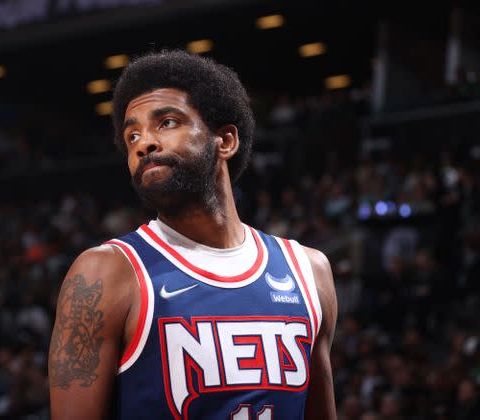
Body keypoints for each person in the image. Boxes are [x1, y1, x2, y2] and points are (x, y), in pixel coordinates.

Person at [48, 49, 338, 420]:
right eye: (132, 133)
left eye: (166, 122)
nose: (144, 143)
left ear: (225, 141)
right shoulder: (105, 273)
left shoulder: (309, 272)